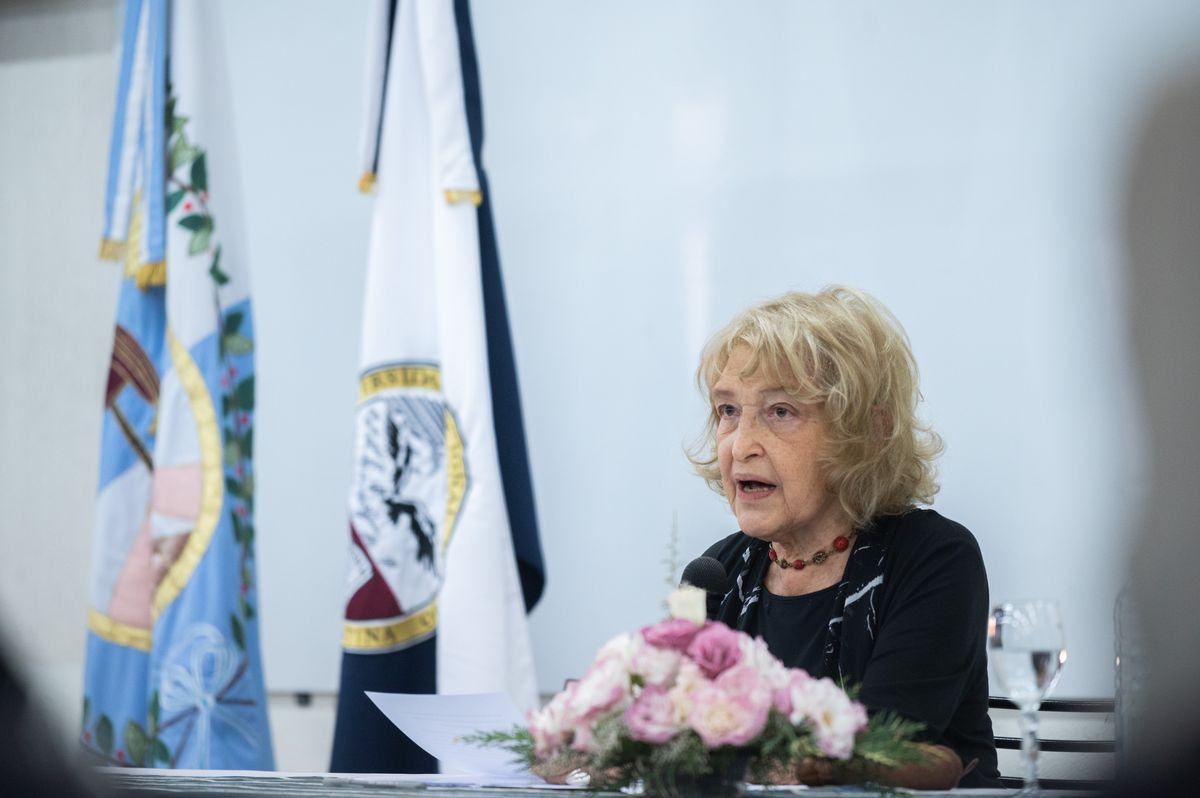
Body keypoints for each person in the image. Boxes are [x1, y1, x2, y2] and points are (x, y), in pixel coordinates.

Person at [690, 287, 1000, 788]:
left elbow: (877, 754)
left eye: (780, 411)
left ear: (867, 432)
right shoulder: (719, 571)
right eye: (728, 411)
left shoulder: (931, 558)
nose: (740, 445)